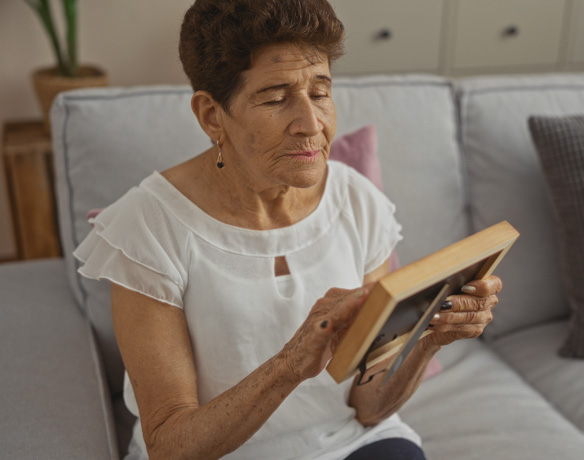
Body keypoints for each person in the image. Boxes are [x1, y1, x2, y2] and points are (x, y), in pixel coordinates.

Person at [74, 0, 502, 459]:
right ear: (212, 115)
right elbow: (170, 446)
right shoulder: (148, 226)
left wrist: (427, 340)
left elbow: (368, 407)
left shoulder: (358, 202)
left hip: (348, 441)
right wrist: (291, 363)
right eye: (276, 98)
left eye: (320, 92)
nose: (311, 124)